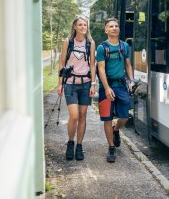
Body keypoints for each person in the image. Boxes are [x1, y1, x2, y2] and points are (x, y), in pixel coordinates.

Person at [57, 15, 96, 161]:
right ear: (75, 27)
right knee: (73, 116)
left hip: (85, 83)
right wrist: (60, 83)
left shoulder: (90, 43)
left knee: (82, 116)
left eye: (85, 25)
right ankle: (70, 143)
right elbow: (62, 64)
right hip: (70, 83)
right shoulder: (68, 42)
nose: (83, 27)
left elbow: (92, 65)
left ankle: (79, 146)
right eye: (80, 25)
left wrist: (93, 84)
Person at [96, 18, 134, 162]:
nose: (114, 28)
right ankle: (111, 147)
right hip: (106, 86)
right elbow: (101, 68)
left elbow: (128, 65)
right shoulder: (102, 48)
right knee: (107, 118)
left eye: (116, 26)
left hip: (121, 85)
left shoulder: (124, 46)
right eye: (111, 26)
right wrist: (106, 88)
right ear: (106, 30)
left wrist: (131, 81)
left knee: (124, 117)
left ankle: (116, 129)